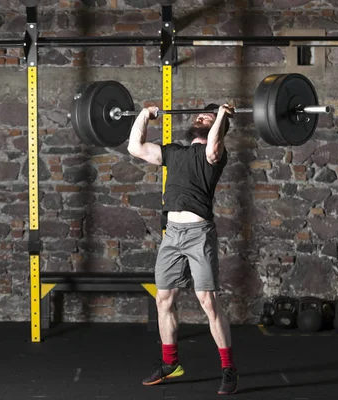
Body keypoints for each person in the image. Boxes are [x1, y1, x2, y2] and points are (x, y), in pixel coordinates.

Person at [127, 103, 238, 395]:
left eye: (209, 117)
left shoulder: (216, 155)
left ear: (219, 126)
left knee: (208, 302)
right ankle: (170, 363)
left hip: (199, 235)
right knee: (163, 299)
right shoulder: (174, 152)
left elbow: (214, 146)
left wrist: (222, 117)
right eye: (201, 115)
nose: (202, 117)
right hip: (172, 235)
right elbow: (135, 147)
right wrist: (143, 116)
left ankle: (228, 368)